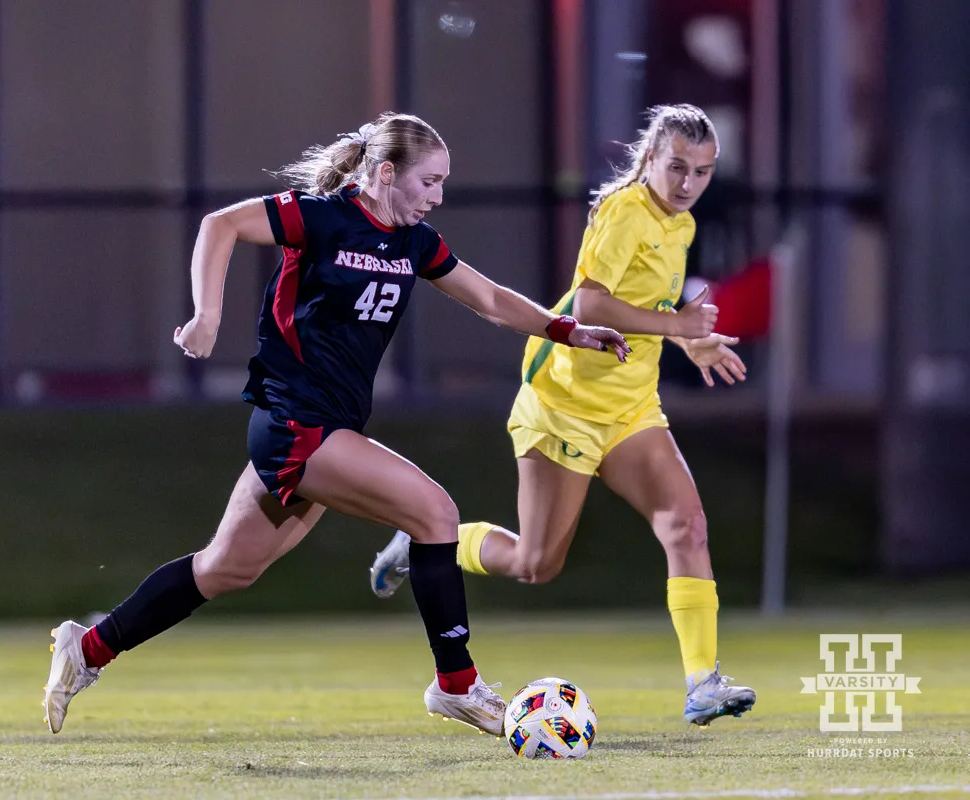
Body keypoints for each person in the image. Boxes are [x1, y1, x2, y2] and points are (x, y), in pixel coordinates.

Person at [43, 112, 630, 736]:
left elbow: (489, 299)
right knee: (436, 514)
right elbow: (220, 226)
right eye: (429, 182)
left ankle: (87, 648)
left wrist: (568, 330)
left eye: (443, 182)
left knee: (225, 569)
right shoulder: (321, 216)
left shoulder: (415, 242)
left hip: (325, 428)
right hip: (295, 423)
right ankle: (456, 684)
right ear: (384, 173)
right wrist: (207, 313)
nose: (438, 196)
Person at [368, 104, 757, 727]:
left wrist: (688, 339)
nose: (688, 184)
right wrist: (678, 324)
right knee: (535, 565)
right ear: (650, 159)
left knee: (686, 525)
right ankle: (428, 547)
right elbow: (593, 302)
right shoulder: (626, 211)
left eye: (703, 172)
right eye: (677, 167)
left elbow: (646, 303)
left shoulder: (679, 225)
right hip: (563, 407)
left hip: (630, 406)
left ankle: (702, 683)